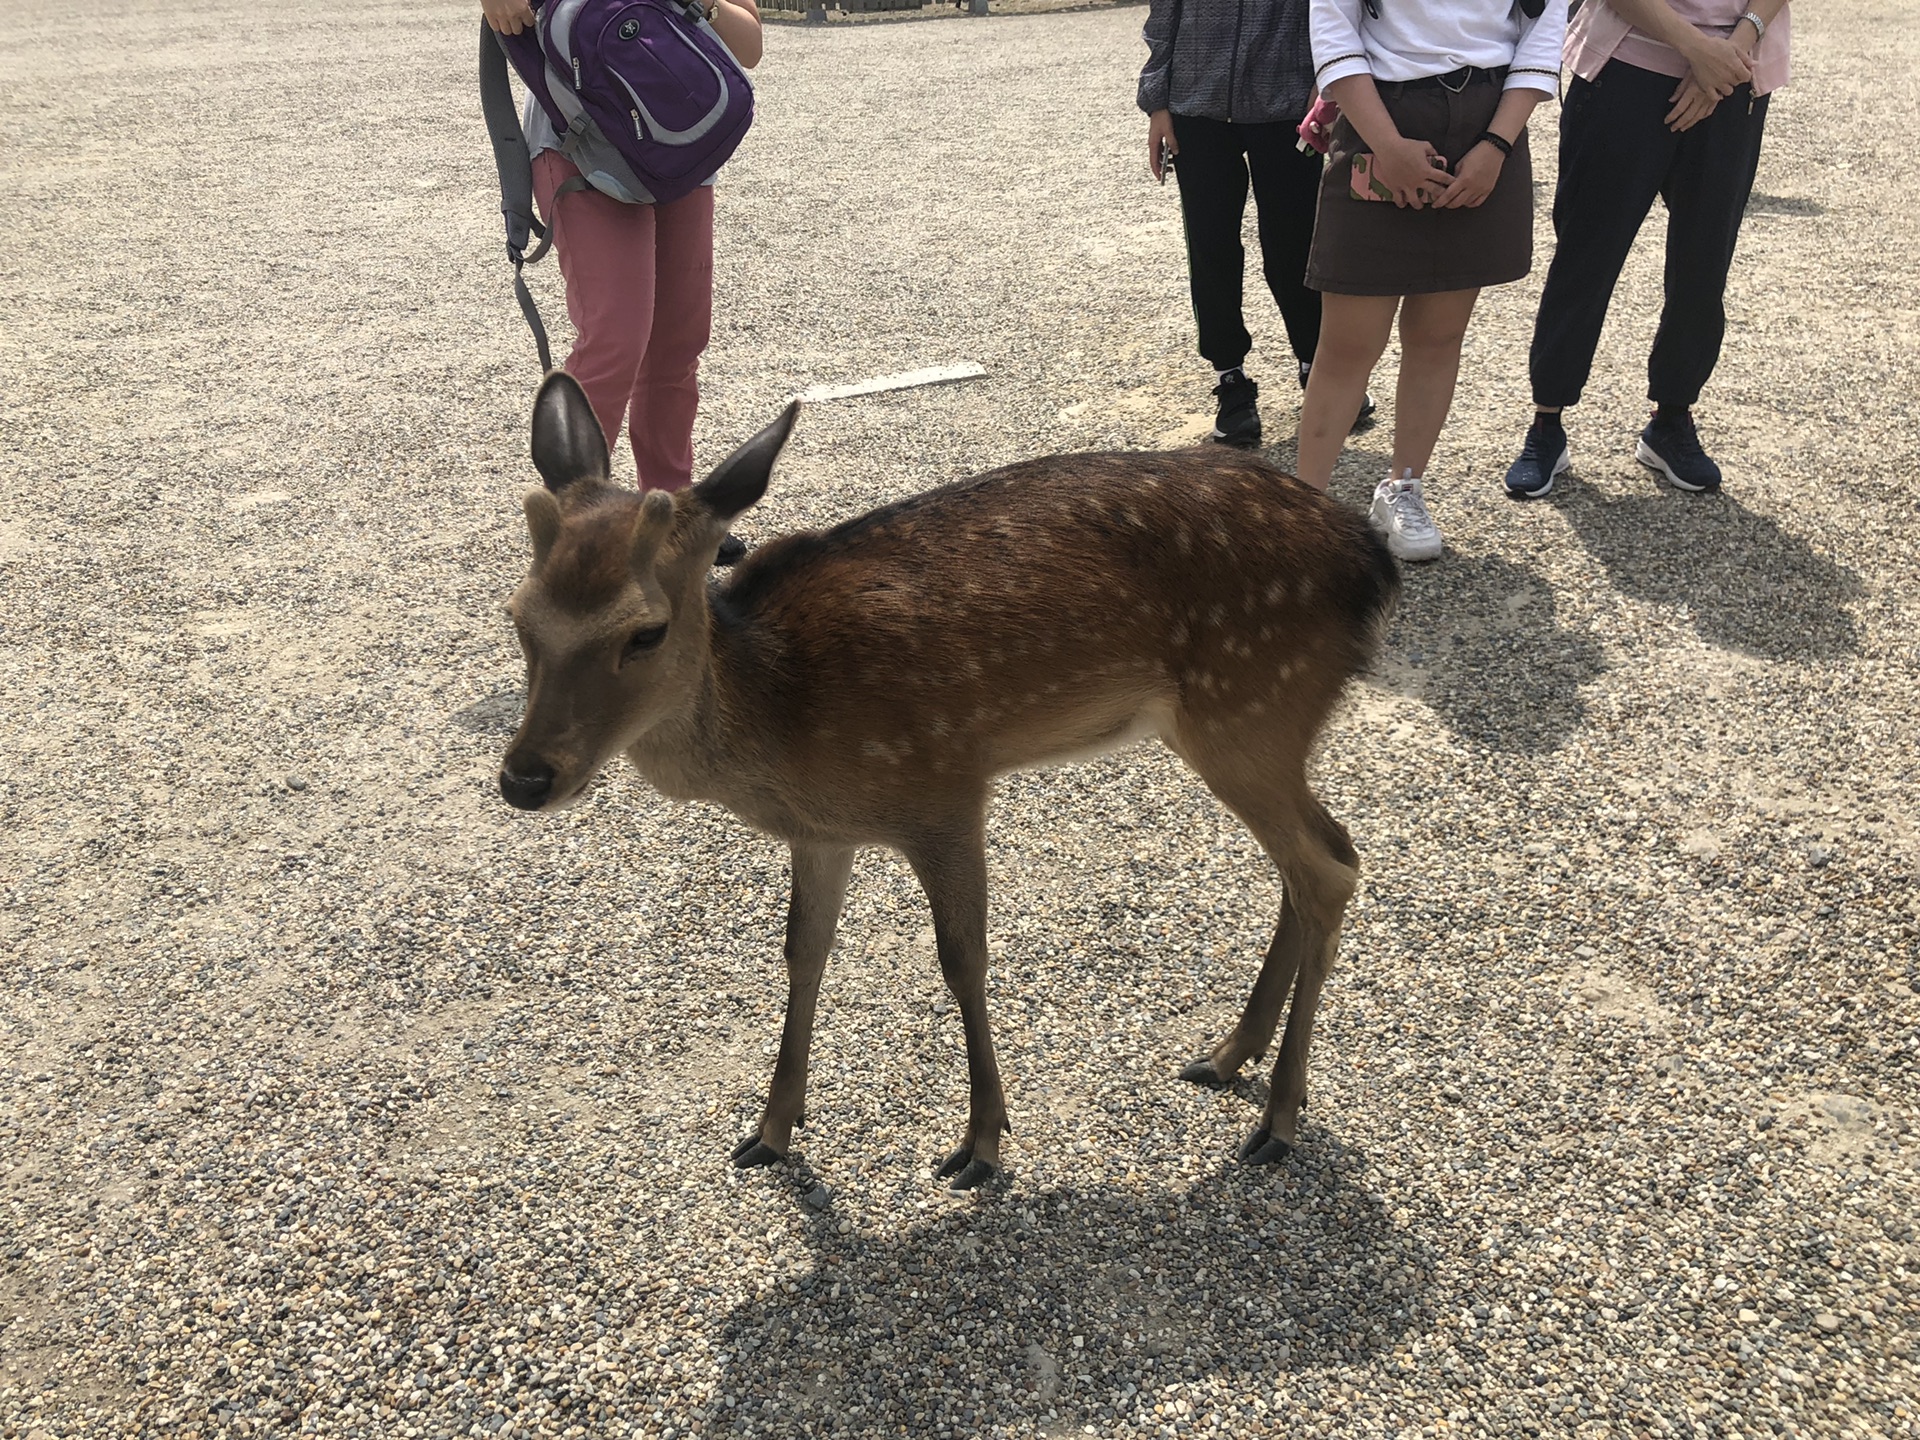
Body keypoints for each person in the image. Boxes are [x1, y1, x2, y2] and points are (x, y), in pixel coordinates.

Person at [483, 0, 764, 563]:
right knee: (615, 338)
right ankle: (576, 528)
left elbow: (749, 44)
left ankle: (671, 516)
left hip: (675, 151)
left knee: (677, 343)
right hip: (579, 149)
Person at [1294, 0, 1565, 561]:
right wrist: (1386, 146)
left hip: (1490, 123)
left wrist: (1496, 146)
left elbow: (1544, 30)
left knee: (1438, 336)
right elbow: (1333, 26)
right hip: (1380, 114)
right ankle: (1302, 513)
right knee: (1348, 345)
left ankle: (1404, 489)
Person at [1503, 0, 1790, 498]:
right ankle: (1547, 419)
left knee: (1704, 261)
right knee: (1587, 254)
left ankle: (1672, 418)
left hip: (1734, 72)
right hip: (1628, 63)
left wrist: (1729, 53)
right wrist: (1697, 50)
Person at [1137, 0, 1372, 450]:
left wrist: (1326, 83)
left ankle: (1316, 365)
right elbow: (1164, 16)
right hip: (1196, 107)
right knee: (1211, 249)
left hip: (1287, 108)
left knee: (1295, 247)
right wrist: (1157, 105)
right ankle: (1230, 379)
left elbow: (1332, 10)